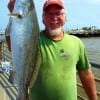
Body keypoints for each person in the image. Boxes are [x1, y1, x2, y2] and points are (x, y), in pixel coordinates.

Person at [7, 0, 98, 100]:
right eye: (49, 14)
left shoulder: (77, 43)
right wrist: (14, 14)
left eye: (58, 13)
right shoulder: (34, 39)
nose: (54, 18)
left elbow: (86, 75)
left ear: (65, 17)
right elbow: (13, 43)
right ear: (43, 18)